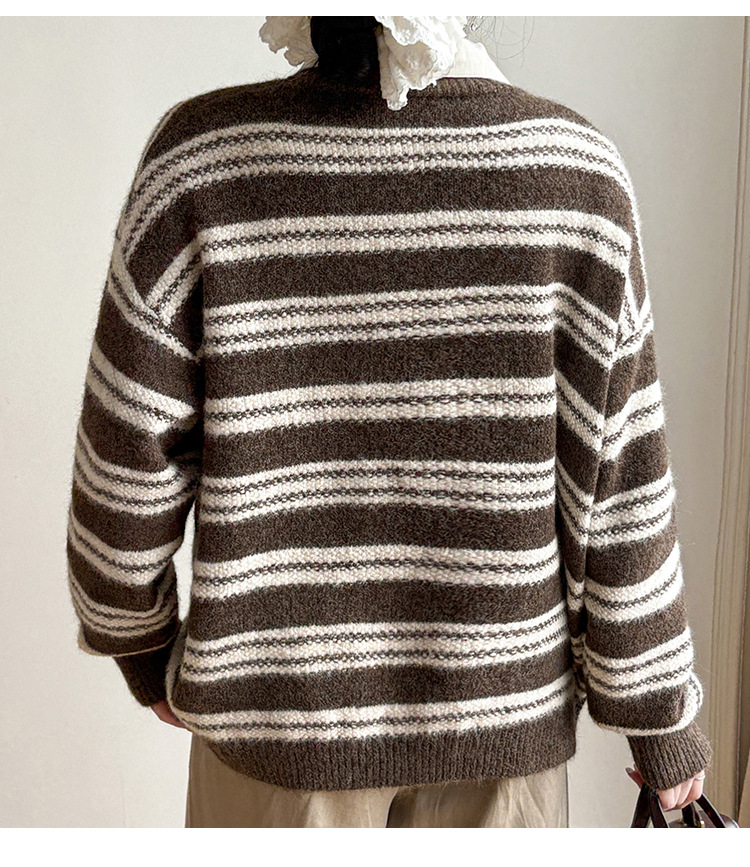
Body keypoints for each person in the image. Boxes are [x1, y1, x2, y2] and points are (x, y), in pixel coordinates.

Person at [66, 16, 711, 827]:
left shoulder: (201, 161)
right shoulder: (577, 177)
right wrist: (658, 711)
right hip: (502, 733)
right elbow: (617, 487)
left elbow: (126, 451)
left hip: (279, 738)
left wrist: (137, 637)